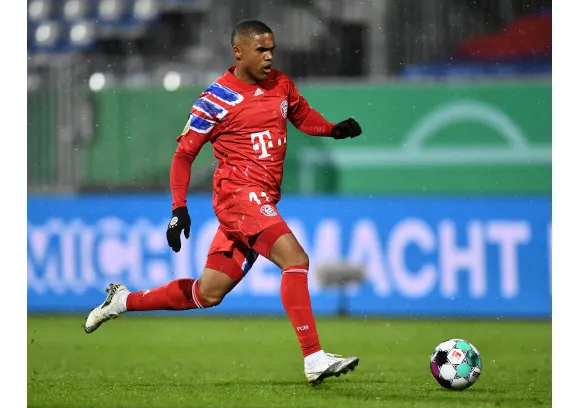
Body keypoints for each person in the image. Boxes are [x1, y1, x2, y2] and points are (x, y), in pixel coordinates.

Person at [84, 19, 363, 386]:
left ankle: (121, 301)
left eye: (272, 49)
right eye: (261, 50)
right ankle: (313, 358)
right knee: (295, 260)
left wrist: (331, 129)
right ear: (238, 52)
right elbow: (183, 155)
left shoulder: (280, 84)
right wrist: (178, 207)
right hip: (238, 197)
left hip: (260, 199)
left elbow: (300, 114)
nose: (269, 56)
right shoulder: (216, 99)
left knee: (207, 293)